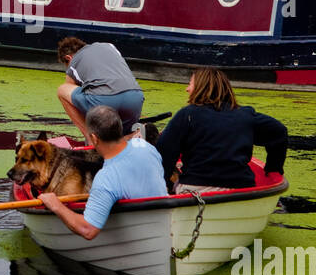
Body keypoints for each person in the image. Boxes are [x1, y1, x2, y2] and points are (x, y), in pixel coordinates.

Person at [39, 105, 166, 241]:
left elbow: (88, 230)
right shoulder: (145, 146)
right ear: (119, 129)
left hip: (141, 232)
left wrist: (55, 205)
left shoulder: (106, 178)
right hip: (163, 223)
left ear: (94, 138)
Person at [155, 66, 288, 193]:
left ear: (201, 88)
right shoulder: (245, 115)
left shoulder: (187, 115)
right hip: (242, 189)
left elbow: (164, 153)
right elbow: (279, 132)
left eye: (190, 83)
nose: (187, 89)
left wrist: (162, 185)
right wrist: (273, 169)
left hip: (197, 188)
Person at [56, 36, 145, 138]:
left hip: (104, 102)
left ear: (68, 58)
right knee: (121, 137)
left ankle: (91, 139)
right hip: (135, 99)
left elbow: (71, 87)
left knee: (62, 90)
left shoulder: (74, 61)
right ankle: (132, 136)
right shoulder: (110, 46)